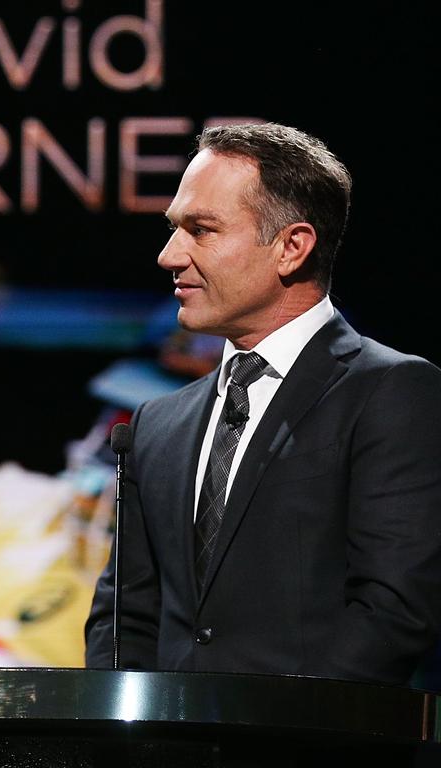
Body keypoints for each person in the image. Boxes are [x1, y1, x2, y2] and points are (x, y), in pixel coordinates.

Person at [85, 123, 441, 685]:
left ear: (292, 247)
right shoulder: (159, 422)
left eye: (200, 230)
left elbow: (393, 609)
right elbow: (125, 617)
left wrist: (273, 730)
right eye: (173, 229)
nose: (168, 255)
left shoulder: (392, 392)